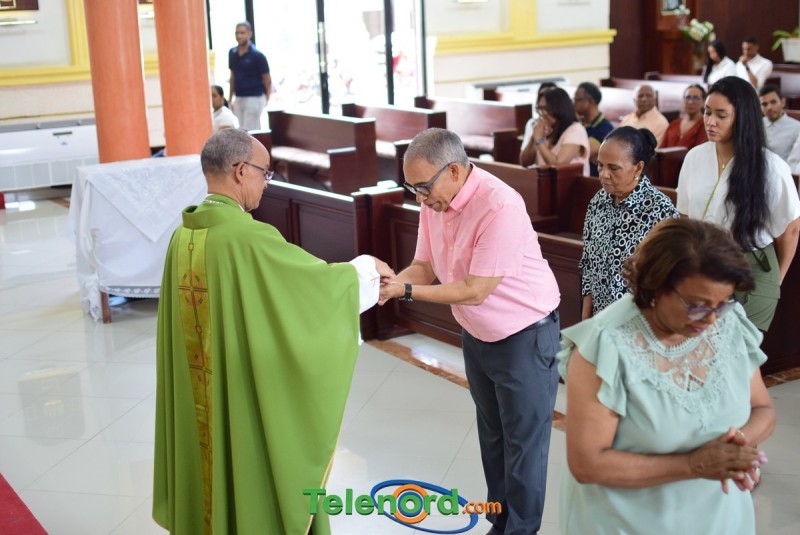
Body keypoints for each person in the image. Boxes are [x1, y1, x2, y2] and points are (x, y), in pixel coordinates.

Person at [152, 128, 393, 534]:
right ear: (240, 170)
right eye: (265, 173)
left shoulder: (183, 237)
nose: (267, 183)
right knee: (250, 460)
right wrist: (366, 271)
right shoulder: (246, 238)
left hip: (202, 394)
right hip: (237, 395)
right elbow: (311, 291)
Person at [380, 128, 561, 535]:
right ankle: (500, 523)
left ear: (454, 171)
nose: (419, 199)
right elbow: (424, 266)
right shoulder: (434, 198)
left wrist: (404, 291)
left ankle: (521, 530)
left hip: (524, 334)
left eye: (423, 188)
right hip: (477, 333)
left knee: (524, 445)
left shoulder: (499, 204)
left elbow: (475, 289)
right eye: (412, 189)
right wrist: (387, 283)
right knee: (492, 436)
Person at [559, 217, 775, 535]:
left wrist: (734, 449)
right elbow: (588, 464)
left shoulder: (729, 324)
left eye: (722, 304)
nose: (711, 320)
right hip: (629, 523)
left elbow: (763, 408)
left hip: (719, 517)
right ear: (656, 285)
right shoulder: (606, 346)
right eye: (698, 306)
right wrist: (694, 464)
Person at [677, 76, 800, 332]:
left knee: (738, 350)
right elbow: (685, 217)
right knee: (700, 346)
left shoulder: (771, 167)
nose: (710, 121)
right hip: (702, 264)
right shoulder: (694, 158)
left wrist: (775, 281)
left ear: (743, 117)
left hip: (751, 269)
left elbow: (790, 229)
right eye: (707, 112)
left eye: (721, 115)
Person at [581, 126, 679, 319]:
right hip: (602, 319)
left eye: (613, 168)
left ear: (638, 168)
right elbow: (588, 265)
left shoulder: (660, 211)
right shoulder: (598, 201)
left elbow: (668, 281)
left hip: (639, 321)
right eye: (600, 165)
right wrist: (585, 321)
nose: (604, 174)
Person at [520, 87, 590, 175]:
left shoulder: (576, 130)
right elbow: (525, 163)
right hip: (545, 181)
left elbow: (558, 165)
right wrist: (533, 137)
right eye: (540, 109)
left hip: (570, 182)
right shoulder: (545, 131)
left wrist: (539, 140)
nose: (542, 114)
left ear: (560, 108)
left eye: (546, 109)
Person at [229, 21, 271, 131]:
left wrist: (267, 98)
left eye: (242, 33)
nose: (239, 36)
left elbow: (267, 79)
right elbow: (232, 76)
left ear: (249, 34)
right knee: (241, 131)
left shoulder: (258, 55)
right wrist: (230, 98)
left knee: (250, 131)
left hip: (254, 97)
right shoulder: (232, 53)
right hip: (239, 97)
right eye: (237, 33)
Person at [573, 81, 614, 176]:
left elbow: (581, 154)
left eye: (577, 100)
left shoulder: (605, 127)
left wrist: (572, 149)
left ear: (591, 101)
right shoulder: (577, 124)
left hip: (593, 178)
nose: (574, 103)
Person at [759, 84, 800, 169]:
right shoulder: (756, 125)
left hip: (785, 172)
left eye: (773, 102)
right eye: (764, 104)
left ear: (783, 102)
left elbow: (795, 162)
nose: (769, 107)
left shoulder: (797, 128)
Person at [659, 84, 708, 149]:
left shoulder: (705, 125)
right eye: (688, 98)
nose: (690, 102)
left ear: (704, 102)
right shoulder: (674, 124)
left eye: (696, 98)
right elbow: (661, 149)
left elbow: (700, 151)